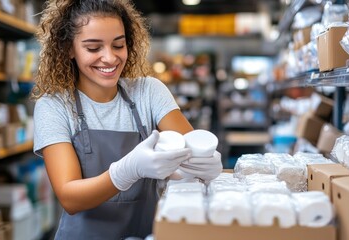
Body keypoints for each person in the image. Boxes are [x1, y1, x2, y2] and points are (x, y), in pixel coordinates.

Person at [31, 0, 223, 239]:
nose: (110, 58)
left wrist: (202, 164)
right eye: (93, 48)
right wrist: (127, 170)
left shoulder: (148, 92)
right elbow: (70, 197)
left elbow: (189, 150)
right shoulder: (54, 106)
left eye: (118, 45)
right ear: (69, 48)